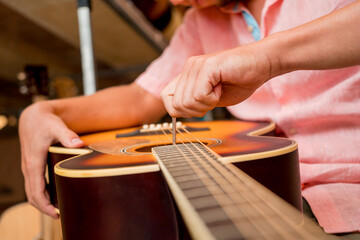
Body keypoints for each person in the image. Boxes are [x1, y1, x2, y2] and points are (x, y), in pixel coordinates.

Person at [19, 0, 360, 236]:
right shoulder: (201, 21)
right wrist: (43, 111)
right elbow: (141, 96)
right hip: (258, 196)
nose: (177, 3)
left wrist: (266, 58)